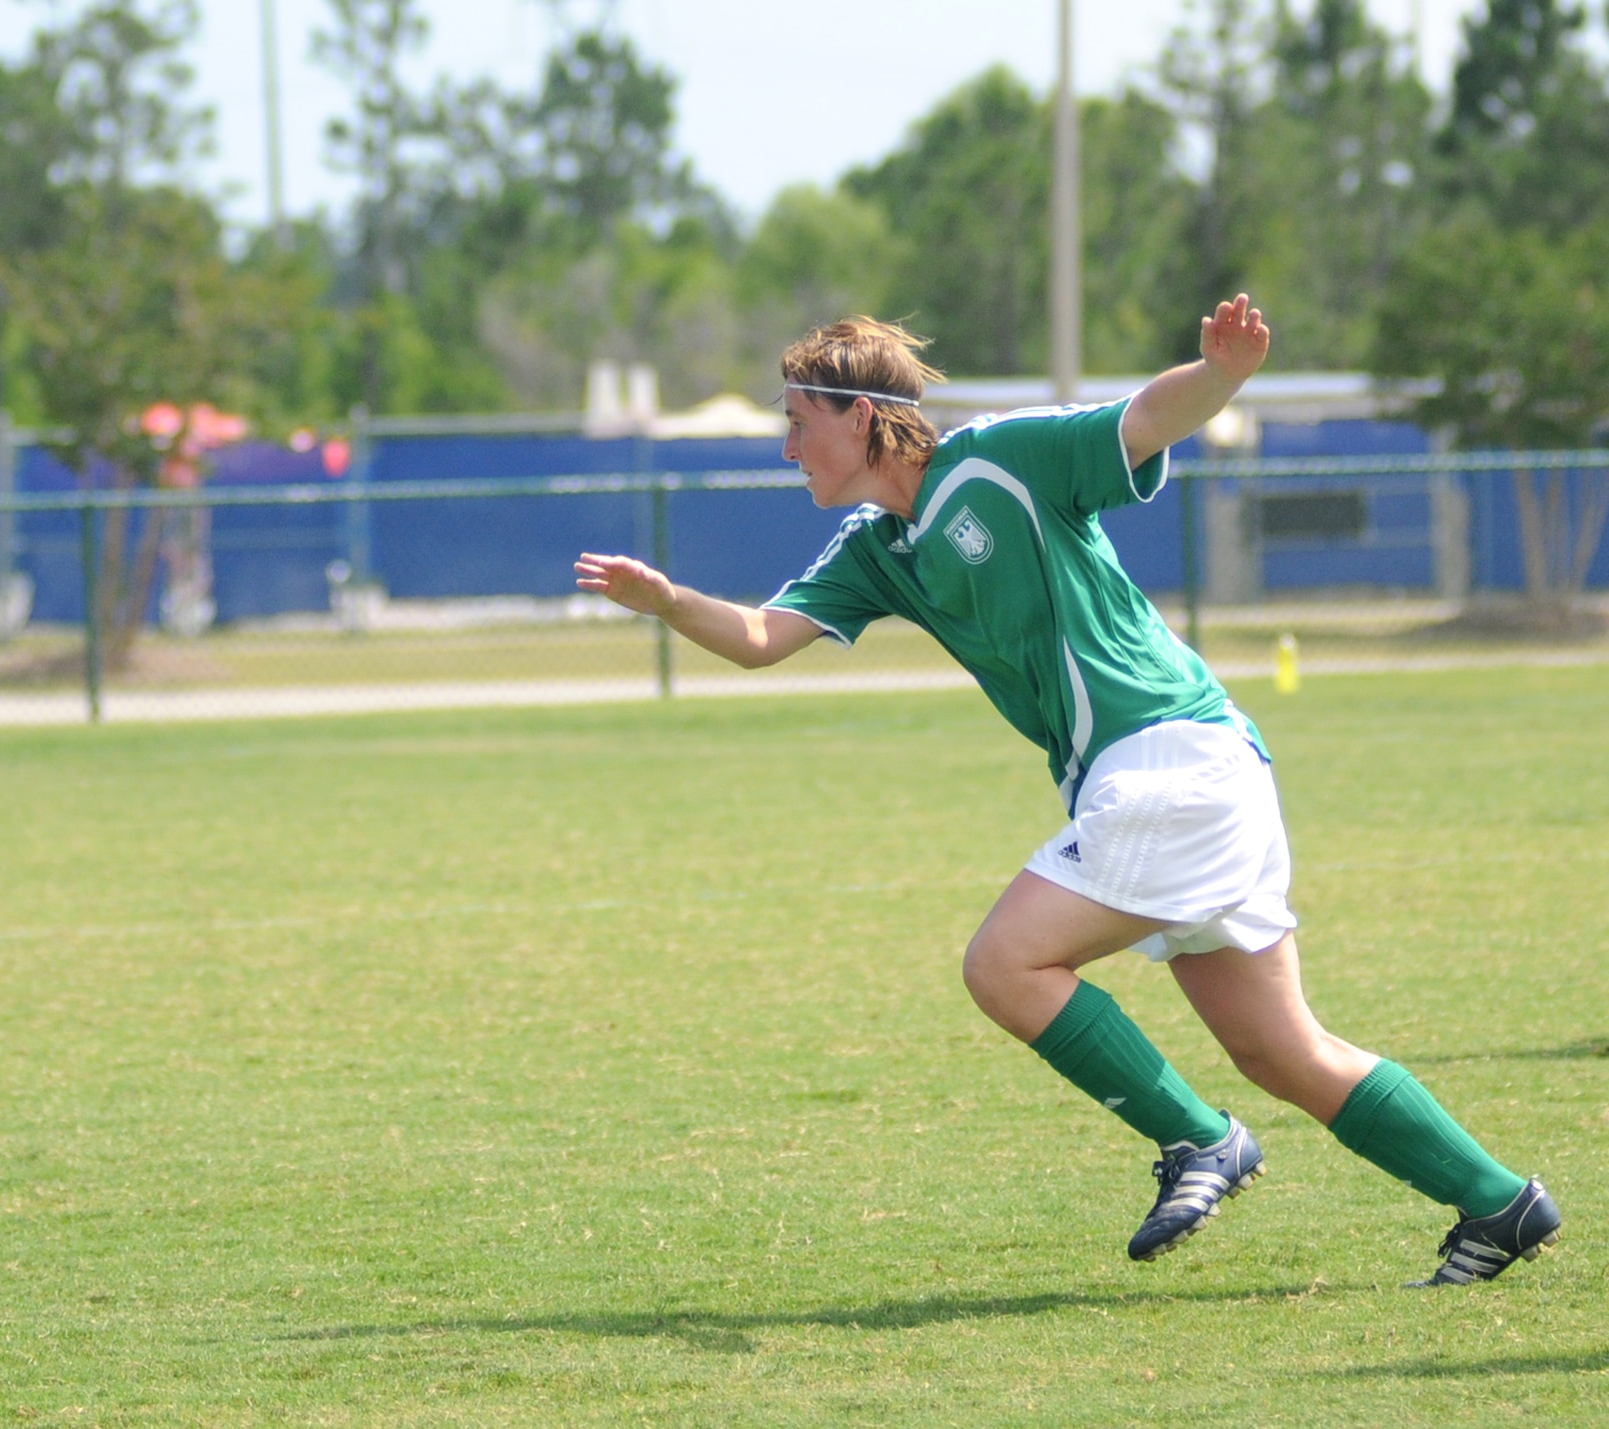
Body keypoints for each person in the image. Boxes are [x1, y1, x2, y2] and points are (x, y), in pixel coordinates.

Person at [575, 298, 1560, 1286]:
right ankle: (1497, 1202)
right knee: (1280, 1051)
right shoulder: (877, 550)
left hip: (1169, 760)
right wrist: (664, 601)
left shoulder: (1000, 460)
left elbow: (1140, 420)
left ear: (860, 415)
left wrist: (1219, 375)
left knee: (1004, 965)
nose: (787, 447)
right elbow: (757, 639)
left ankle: (1198, 1141)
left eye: (796, 421)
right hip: (1181, 771)